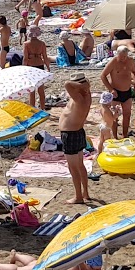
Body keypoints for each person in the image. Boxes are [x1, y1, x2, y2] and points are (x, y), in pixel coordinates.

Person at [59, 74, 93, 205]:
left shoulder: (79, 97)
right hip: (78, 132)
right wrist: (85, 85)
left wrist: (81, 85)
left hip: (71, 134)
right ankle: (85, 193)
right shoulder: (86, 95)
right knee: (80, 165)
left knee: (73, 168)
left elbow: (67, 84)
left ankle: (78, 196)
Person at [99, 48, 135, 138]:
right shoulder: (113, 62)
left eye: (125, 56)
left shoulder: (130, 61)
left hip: (127, 91)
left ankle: (125, 135)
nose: (123, 58)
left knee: (127, 114)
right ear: (117, 54)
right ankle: (115, 136)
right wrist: (111, 89)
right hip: (116, 92)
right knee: (114, 116)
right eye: (121, 57)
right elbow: (103, 75)